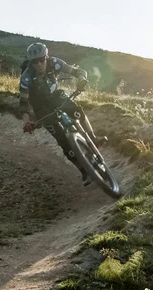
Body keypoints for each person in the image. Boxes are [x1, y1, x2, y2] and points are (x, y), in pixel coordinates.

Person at [19, 42, 106, 186]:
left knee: (78, 111)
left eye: (42, 60)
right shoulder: (26, 77)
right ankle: (83, 171)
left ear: (46, 57)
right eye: (35, 62)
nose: (39, 64)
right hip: (40, 107)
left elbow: (78, 71)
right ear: (30, 62)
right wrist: (26, 121)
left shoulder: (55, 63)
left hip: (55, 96)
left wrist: (82, 80)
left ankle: (93, 138)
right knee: (63, 142)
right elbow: (23, 103)